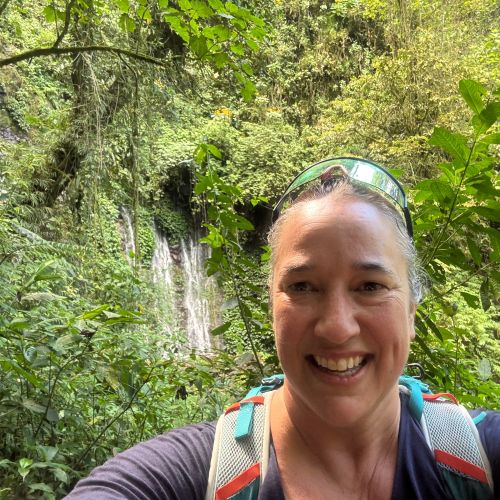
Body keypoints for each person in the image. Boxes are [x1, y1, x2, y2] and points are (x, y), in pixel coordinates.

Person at [67, 157, 499, 499]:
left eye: (370, 286)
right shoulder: (196, 471)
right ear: (271, 306)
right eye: (302, 286)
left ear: (411, 312)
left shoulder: (479, 455)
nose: (336, 328)